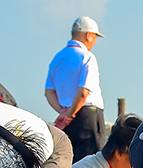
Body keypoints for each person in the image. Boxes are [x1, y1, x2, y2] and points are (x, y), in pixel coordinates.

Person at [44, 17, 106, 160]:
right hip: (87, 117)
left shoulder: (57, 58)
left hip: (67, 121)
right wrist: (69, 114)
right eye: (95, 36)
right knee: (91, 165)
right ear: (88, 35)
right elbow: (84, 92)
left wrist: (63, 113)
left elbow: (49, 92)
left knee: (72, 163)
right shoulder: (87, 57)